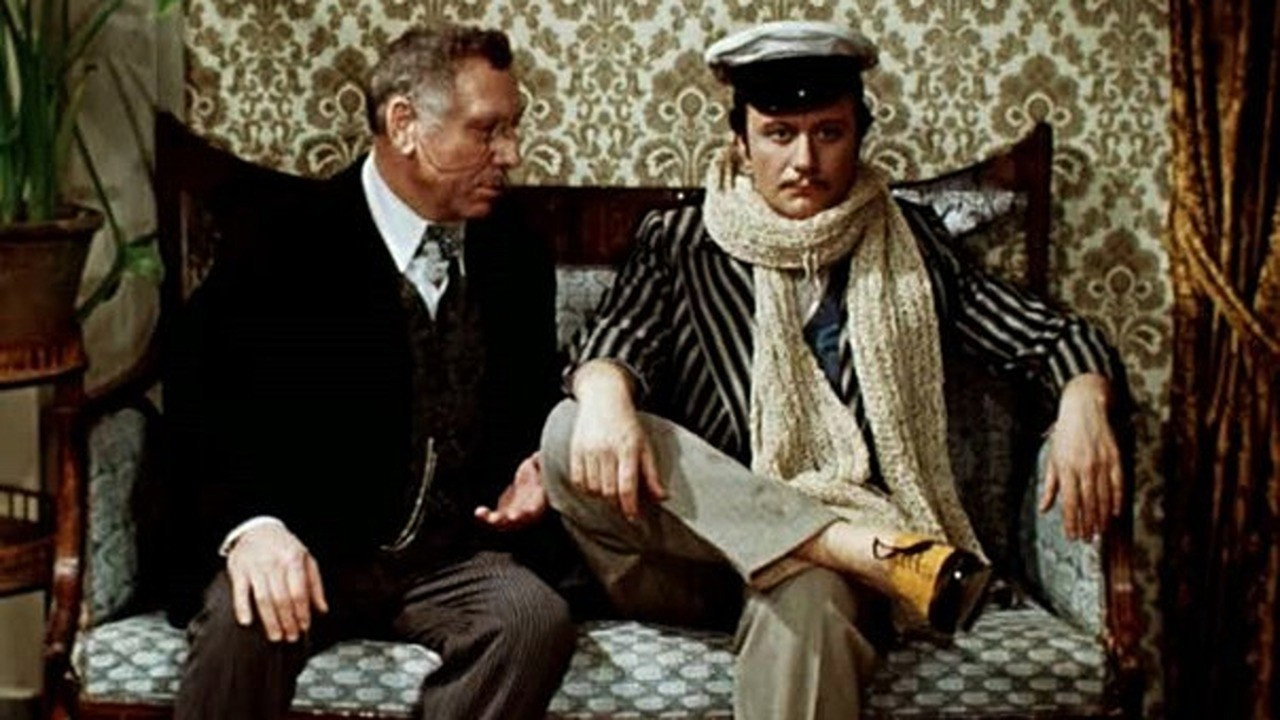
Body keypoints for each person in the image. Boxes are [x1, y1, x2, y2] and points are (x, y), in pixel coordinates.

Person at [539, 20, 1127, 720]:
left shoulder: (911, 245)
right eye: (778, 134)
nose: (804, 160)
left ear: (859, 135)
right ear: (740, 142)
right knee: (568, 427)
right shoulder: (681, 241)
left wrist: (1084, 400)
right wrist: (605, 390)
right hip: (697, 566)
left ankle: (841, 552)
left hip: (831, 577)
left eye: (828, 133)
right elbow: (614, 339)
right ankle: (860, 548)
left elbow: (1049, 335)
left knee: (814, 597)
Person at [164, 23, 576, 720]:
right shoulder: (284, 239)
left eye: (513, 129)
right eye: (487, 131)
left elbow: (531, 404)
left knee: (532, 620)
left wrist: (536, 467)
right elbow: (198, 401)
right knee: (245, 618)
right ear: (404, 123)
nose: (510, 154)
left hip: (450, 561)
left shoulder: (515, 252)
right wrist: (252, 528)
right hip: (308, 548)